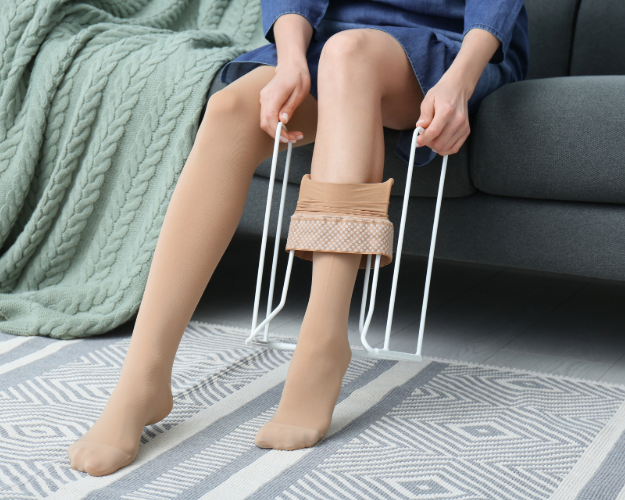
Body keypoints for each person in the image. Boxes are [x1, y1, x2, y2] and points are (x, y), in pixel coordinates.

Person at [67, 0, 528, 476]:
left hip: (451, 43)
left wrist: (460, 79)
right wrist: (290, 58)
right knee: (228, 108)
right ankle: (144, 377)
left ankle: (322, 346)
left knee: (350, 56)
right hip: (325, 39)